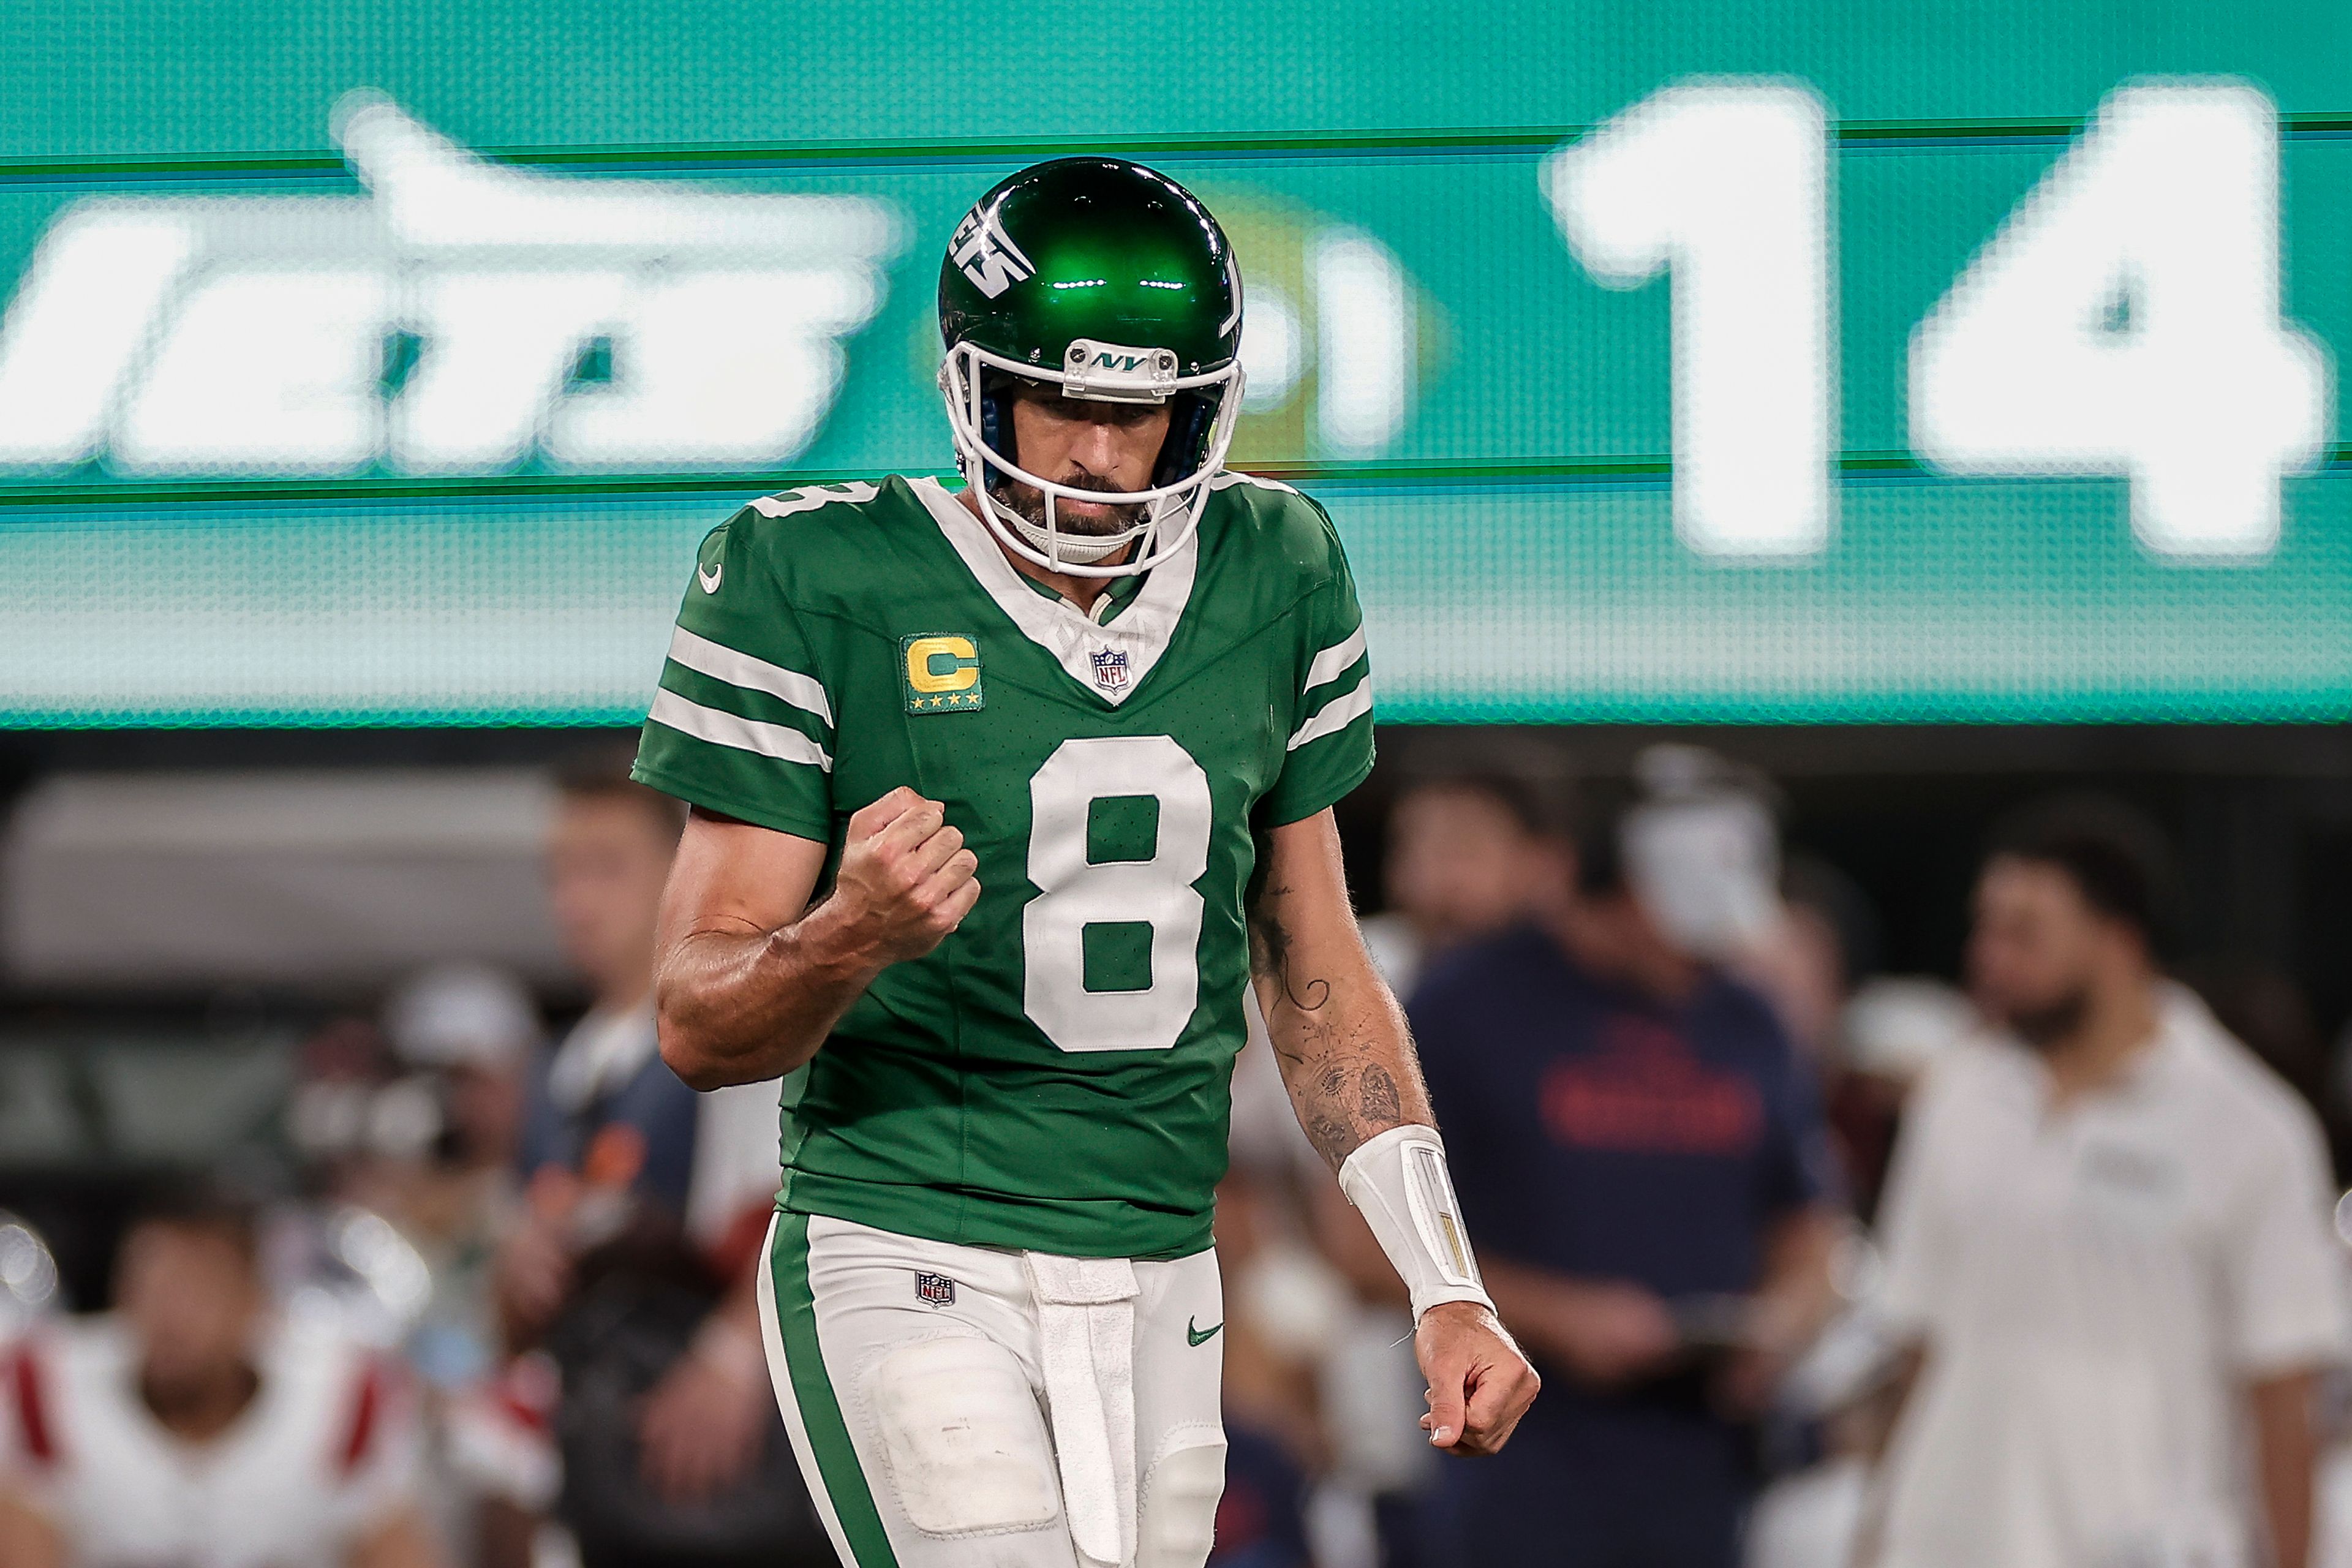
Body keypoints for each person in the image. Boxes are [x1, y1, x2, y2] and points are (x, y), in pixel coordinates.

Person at [629, 156, 1539, 1568]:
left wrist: (1442, 1277)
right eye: (1066, 402)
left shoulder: (1276, 563)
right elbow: (693, 1019)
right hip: (907, 1232)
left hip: (1161, 1265)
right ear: (976, 386)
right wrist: (846, 935)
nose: (1106, 455)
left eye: (1145, 409)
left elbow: (1312, 961)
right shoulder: (809, 577)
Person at [1862, 800, 2352, 1568]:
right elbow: (1918, 1347)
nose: (1988, 958)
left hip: (2141, 1545)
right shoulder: (1955, 1096)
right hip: (1951, 1540)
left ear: (2117, 942)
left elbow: (2283, 1396)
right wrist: (1875, 1530)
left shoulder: (2251, 1129)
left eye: (2023, 933)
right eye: (1985, 928)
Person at [1408, 782, 1844, 1568]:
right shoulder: (1464, 1006)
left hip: (1705, 1471)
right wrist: (1561, 1317)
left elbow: (1808, 1227)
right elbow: (1360, 1242)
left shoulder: (1748, 1018)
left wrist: (1780, 1327)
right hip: (1517, 1463)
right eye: (1686, 928)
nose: (1704, 957)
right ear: (1618, 892)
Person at [494, 755, 810, 1564]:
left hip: (717, 1444)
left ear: (679, 872)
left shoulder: (734, 1038)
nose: (576, 900)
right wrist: (518, 1277)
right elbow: (513, 1323)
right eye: (560, 872)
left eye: (605, 868)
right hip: (604, 1434)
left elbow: (799, 1213)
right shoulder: (557, 1070)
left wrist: (733, 1357)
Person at [0, 1186, 444, 1568]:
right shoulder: (44, 1387)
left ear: (255, 1302)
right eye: (150, 1285)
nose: (170, 1315)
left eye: (197, 1290)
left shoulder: (345, 1395)